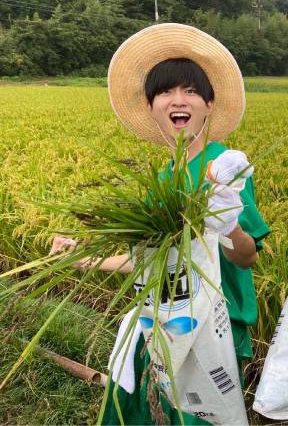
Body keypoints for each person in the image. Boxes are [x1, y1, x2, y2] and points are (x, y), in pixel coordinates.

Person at [50, 23, 270, 424]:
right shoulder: (162, 181)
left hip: (213, 329)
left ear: (208, 103)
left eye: (190, 90)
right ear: (151, 106)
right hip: (159, 321)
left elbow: (246, 258)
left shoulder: (223, 167)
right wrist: (81, 258)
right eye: (165, 91)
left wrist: (229, 223)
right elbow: (146, 262)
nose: (177, 99)